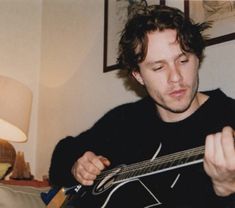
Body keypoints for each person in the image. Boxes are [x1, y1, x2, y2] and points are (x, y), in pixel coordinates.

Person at [49, 4, 235, 208]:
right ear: (138, 76)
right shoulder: (125, 120)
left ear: (197, 58)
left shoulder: (227, 117)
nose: (176, 77)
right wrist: (77, 165)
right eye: (158, 67)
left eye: (183, 60)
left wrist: (227, 189)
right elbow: (61, 156)